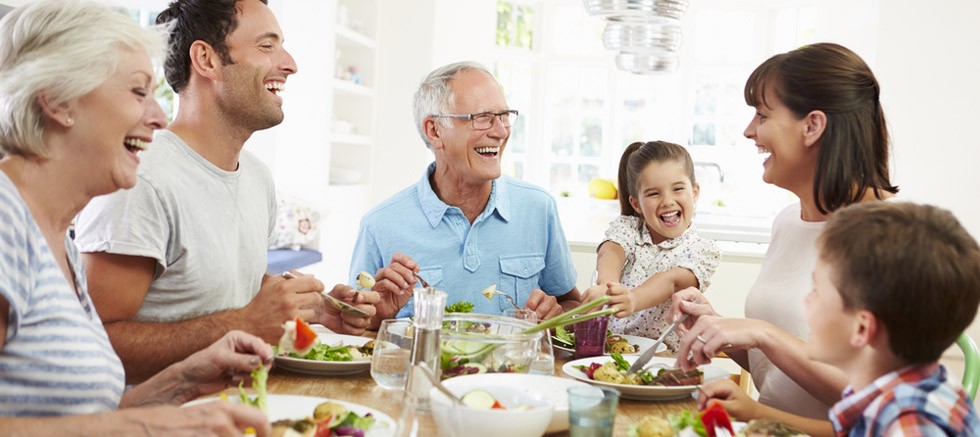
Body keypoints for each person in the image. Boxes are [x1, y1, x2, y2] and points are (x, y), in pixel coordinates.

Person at [0, 1, 271, 434]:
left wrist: (181, 382)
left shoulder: (56, 237)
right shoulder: (5, 221)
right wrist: (143, 427)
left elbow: (81, 416)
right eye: (137, 92)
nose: (159, 118)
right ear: (58, 99)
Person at [74, 0, 379, 383]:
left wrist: (316, 310)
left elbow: (231, 290)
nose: (290, 64)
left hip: (243, 402)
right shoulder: (141, 179)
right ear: (207, 59)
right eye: (266, 46)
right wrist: (245, 322)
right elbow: (94, 343)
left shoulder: (257, 177)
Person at [669, 42, 898, 436]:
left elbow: (879, 408)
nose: (749, 131)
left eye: (762, 115)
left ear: (812, 126)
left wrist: (764, 337)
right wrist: (718, 328)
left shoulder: (890, 238)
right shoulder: (788, 222)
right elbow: (779, 372)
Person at [349, 61, 582, 326]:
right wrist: (377, 317)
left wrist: (558, 316)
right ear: (435, 131)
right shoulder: (379, 225)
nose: (501, 131)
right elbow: (356, 326)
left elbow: (572, 304)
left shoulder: (538, 208)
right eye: (482, 118)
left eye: (504, 115)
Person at [805, 201, 980, 435]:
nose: (807, 300)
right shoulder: (925, 385)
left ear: (861, 328)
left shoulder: (907, 426)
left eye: (816, 290)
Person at [581, 141, 720, 352]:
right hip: (611, 353)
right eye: (654, 193)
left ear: (694, 192)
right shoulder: (629, 228)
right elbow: (611, 251)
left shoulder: (702, 249)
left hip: (665, 360)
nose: (667, 201)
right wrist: (607, 286)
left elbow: (672, 281)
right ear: (636, 204)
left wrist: (633, 299)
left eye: (678, 189)